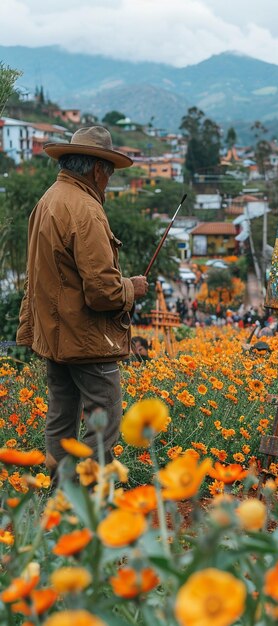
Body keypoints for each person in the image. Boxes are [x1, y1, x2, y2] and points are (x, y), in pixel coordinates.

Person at [16, 126, 149, 479]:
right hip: (87, 340)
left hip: (55, 335)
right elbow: (103, 292)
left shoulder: (49, 199)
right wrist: (132, 288)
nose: (107, 182)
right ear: (95, 170)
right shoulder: (86, 210)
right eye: (108, 175)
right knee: (104, 425)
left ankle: (59, 496)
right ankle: (84, 502)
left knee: (61, 418)